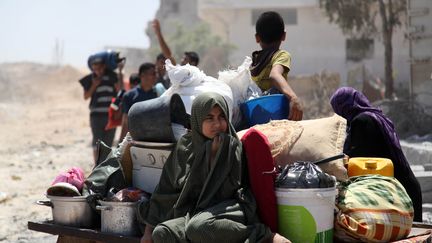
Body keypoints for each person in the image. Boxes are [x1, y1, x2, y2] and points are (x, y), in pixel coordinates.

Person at [138, 92, 290, 243]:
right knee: (162, 233)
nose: (217, 124)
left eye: (221, 117)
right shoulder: (185, 147)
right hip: (194, 211)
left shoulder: (232, 146)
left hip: (230, 209)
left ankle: (263, 235)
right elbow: (165, 191)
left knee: (199, 228)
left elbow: (227, 190)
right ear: (197, 120)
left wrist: (216, 158)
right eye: (209, 118)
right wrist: (148, 231)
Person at [330, 87, 423, 222]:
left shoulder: (362, 122)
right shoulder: (375, 116)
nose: (337, 115)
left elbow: (355, 159)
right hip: (404, 189)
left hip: (400, 196)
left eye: (337, 109)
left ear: (345, 106)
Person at [251, 11, 303, 121]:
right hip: (274, 114)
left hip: (254, 114)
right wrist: (293, 97)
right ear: (284, 36)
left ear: (257, 38)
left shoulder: (254, 61)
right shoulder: (281, 55)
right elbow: (275, 75)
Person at [79, 57, 121, 162]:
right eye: (95, 69)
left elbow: (120, 91)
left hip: (111, 115)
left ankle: (105, 166)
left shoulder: (112, 77)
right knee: (97, 142)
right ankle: (97, 166)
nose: (98, 71)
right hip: (96, 116)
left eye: (100, 68)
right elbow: (86, 96)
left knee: (108, 143)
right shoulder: (89, 79)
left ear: (104, 67)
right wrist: (94, 85)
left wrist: (120, 71)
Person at [119, 63, 165, 141]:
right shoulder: (129, 96)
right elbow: (126, 121)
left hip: (154, 139)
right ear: (143, 75)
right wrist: (121, 142)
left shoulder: (159, 94)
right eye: (153, 73)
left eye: (156, 73)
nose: (156, 76)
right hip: (135, 139)